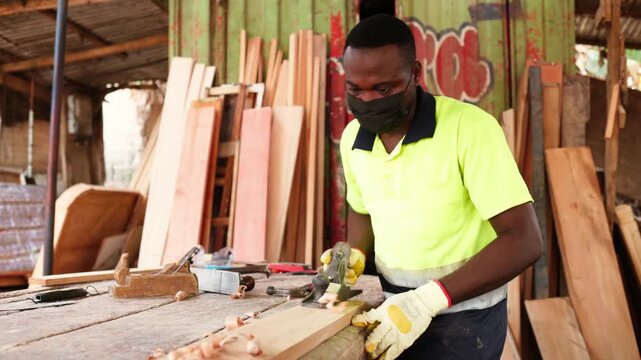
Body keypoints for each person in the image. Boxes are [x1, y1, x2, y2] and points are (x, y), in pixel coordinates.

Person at [321, 14, 542, 359]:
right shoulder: (352, 139)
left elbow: (524, 241)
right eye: (355, 89)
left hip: (466, 323)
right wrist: (353, 254)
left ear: (416, 74)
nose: (368, 100)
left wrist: (426, 300)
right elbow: (362, 208)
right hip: (392, 315)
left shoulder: (469, 130)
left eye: (384, 88)